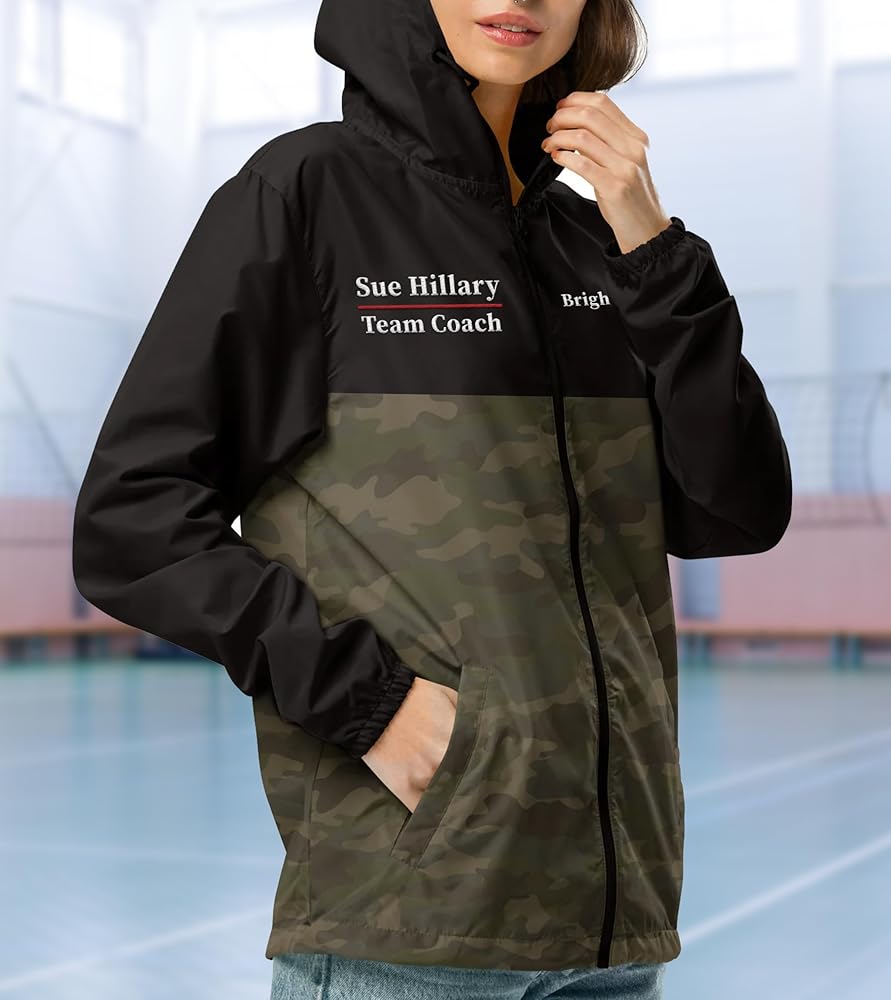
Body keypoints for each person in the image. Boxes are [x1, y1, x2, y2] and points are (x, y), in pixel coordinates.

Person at [71, 0, 793, 997]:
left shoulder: (599, 243)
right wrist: (371, 705)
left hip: (613, 927)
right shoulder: (308, 192)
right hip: (409, 925)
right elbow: (133, 518)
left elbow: (735, 510)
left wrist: (655, 250)